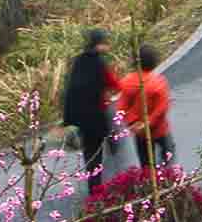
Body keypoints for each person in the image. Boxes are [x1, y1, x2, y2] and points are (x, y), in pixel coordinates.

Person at [62, 28, 121, 194]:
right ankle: (100, 192)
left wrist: (68, 119)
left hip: (80, 118)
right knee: (98, 153)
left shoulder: (79, 61)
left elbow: (71, 89)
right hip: (96, 116)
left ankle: (93, 190)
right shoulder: (99, 63)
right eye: (105, 43)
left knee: (90, 156)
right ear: (99, 44)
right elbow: (115, 84)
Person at [115, 44, 174, 171]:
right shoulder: (158, 82)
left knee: (146, 165)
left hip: (139, 133)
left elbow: (121, 108)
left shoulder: (127, 82)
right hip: (160, 130)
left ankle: (150, 186)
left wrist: (133, 124)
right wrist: (148, 122)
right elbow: (162, 107)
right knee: (168, 156)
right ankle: (166, 181)